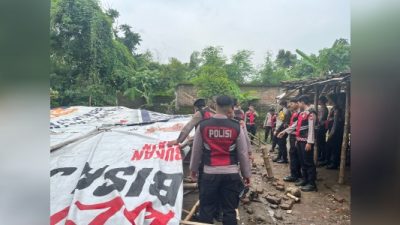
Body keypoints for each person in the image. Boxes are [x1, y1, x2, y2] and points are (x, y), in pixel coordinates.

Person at [190, 95, 251, 225]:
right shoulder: (236, 127)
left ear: (215, 105)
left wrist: (193, 170)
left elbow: (196, 152)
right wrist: (247, 174)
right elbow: (243, 153)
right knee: (229, 210)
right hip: (231, 174)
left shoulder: (203, 126)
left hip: (209, 174)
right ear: (231, 107)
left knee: (206, 209)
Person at [278, 95, 318, 192]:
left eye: (299, 102)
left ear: (303, 102)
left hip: (306, 142)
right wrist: (285, 131)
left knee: (308, 162)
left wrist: (309, 142)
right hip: (299, 140)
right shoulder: (302, 113)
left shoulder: (311, 113)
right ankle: (305, 179)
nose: (298, 104)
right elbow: (296, 125)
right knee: (302, 161)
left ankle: (311, 183)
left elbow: (311, 129)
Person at [283, 97, 302, 182]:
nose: (290, 105)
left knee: (294, 155)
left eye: (292, 103)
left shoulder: (300, 113)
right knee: (294, 155)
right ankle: (296, 174)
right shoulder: (294, 113)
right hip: (292, 136)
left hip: (295, 137)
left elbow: (296, 125)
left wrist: (286, 130)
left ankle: (295, 175)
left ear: (297, 103)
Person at [325, 94, 344, 170]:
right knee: (332, 147)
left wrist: (331, 134)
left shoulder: (337, 109)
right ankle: (331, 162)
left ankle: (334, 163)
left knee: (335, 147)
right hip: (333, 130)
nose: (328, 101)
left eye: (329, 99)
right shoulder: (334, 108)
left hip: (336, 132)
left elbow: (335, 124)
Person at [316, 96, 329, 165]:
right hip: (320, 126)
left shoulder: (324, 108)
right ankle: (321, 156)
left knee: (321, 143)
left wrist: (317, 120)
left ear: (322, 101)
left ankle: (322, 156)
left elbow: (321, 118)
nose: (318, 101)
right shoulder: (322, 108)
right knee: (320, 142)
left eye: (319, 100)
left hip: (321, 127)